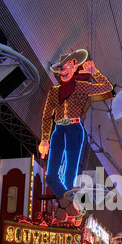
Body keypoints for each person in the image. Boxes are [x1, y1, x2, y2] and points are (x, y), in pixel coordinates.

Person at [38, 49, 113, 219]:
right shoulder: (53, 92)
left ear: (73, 67)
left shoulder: (81, 86)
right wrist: (44, 139)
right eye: (60, 68)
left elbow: (107, 87)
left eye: (66, 66)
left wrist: (95, 72)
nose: (63, 70)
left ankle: (64, 210)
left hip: (75, 129)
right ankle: (69, 207)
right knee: (51, 176)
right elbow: (47, 115)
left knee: (69, 174)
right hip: (58, 131)